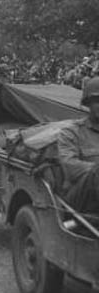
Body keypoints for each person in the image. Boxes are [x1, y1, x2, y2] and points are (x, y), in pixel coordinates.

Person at [57, 77, 99, 215]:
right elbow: (70, 167)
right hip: (79, 198)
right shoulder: (72, 132)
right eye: (97, 101)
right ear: (88, 104)